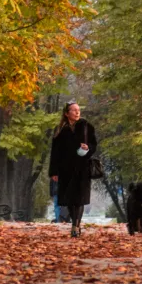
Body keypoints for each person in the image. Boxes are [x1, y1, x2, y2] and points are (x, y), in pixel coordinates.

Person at [48, 101, 98, 237]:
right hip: (65, 169)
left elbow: (94, 144)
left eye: (78, 110)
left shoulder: (87, 126)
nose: (77, 112)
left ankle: (76, 225)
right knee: (69, 198)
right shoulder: (60, 130)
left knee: (80, 198)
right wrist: (53, 172)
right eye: (74, 110)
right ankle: (74, 224)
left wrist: (88, 149)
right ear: (66, 113)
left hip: (83, 168)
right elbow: (55, 152)